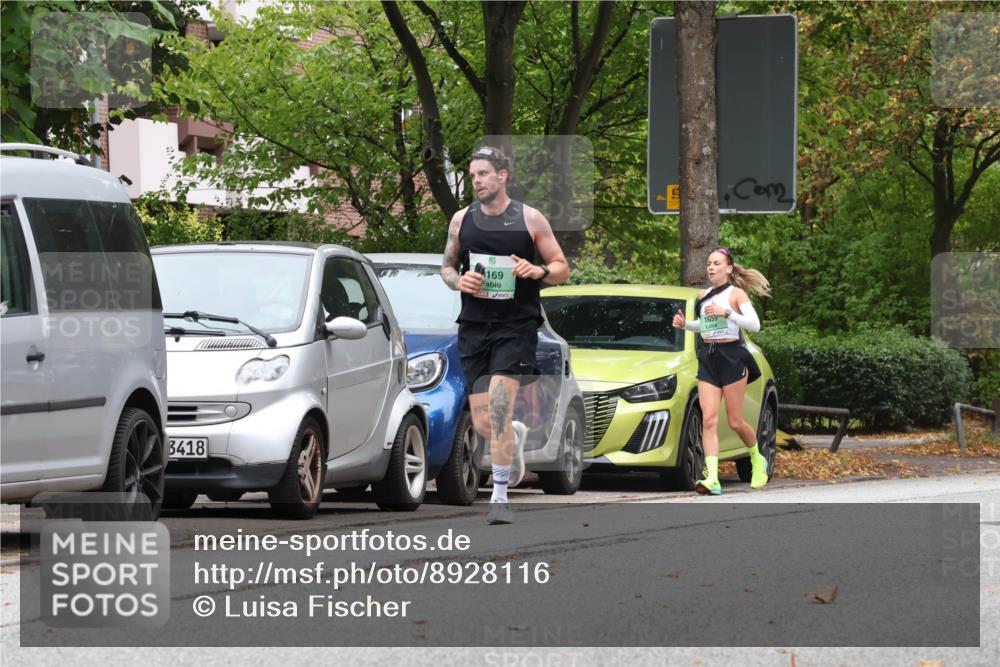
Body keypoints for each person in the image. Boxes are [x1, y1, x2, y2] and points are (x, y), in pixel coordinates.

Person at [441, 146, 569, 524]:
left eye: (483, 173)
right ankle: (511, 431)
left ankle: (499, 499)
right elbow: (447, 267)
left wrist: (539, 271)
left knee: (497, 408)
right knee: (486, 423)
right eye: (473, 174)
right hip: (475, 328)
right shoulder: (461, 220)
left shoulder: (530, 219)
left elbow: (562, 268)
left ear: (502, 176)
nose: (476, 180)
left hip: (516, 327)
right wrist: (458, 281)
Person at [672, 247, 771, 495]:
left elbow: (755, 325)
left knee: (735, 420)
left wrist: (728, 312)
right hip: (709, 358)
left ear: (728, 268)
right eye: (708, 263)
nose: (711, 267)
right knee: (709, 419)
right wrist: (686, 325)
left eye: (716, 263)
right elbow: (706, 326)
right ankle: (712, 477)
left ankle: (758, 459)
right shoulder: (703, 295)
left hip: (732, 358)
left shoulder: (736, 294)